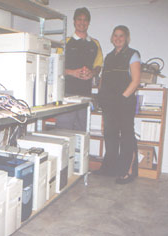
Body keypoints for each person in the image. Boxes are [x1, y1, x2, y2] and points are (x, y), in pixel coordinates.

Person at [97, 25, 141, 184]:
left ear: (127, 38)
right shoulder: (108, 57)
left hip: (124, 101)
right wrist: (101, 95)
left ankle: (127, 172)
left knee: (127, 136)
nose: (118, 38)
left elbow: (136, 80)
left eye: (121, 35)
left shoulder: (132, 54)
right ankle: (110, 168)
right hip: (109, 102)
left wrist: (122, 98)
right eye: (115, 35)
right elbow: (104, 79)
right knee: (110, 135)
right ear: (111, 38)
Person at [55, 7, 103, 131]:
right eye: (79, 19)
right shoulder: (65, 43)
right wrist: (71, 72)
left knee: (82, 134)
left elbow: (98, 66)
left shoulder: (95, 44)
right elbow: (56, 67)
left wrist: (92, 72)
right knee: (63, 133)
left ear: (89, 23)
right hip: (66, 95)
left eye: (85, 20)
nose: (82, 22)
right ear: (74, 22)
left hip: (85, 96)